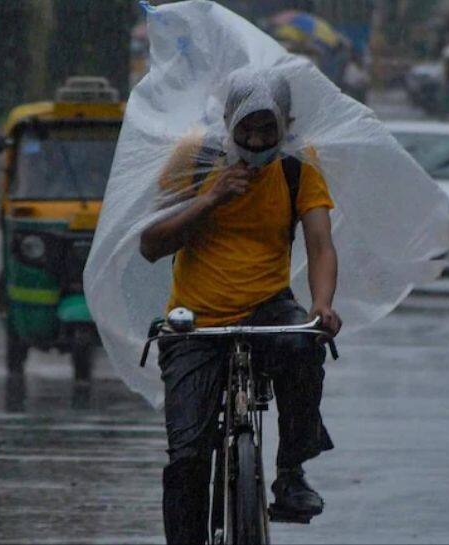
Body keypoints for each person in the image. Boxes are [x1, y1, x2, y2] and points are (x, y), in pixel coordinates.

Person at [139, 70, 341, 544]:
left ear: (285, 126)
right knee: (188, 454)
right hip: (196, 320)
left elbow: (320, 244)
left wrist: (323, 305)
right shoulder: (194, 158)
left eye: (266, 129)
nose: (254, 139)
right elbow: (151, 243)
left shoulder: (297, 166)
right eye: (246, 127)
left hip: (268, 308)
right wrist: (210, 198)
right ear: (228, 120)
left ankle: (290, 472)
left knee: (303, 345)